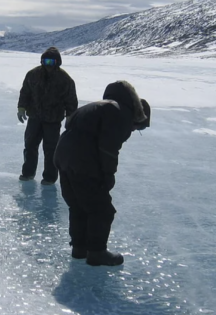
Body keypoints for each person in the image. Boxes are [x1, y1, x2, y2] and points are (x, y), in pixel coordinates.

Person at [54, 81, 151, 266]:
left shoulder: (96, 107)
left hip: (63, 158)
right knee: (102, 210)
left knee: (78, 207)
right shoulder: (121, 112)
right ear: (137, 115)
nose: (133, 130)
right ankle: (97, 252)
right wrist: (107, 176)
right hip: (82, 161)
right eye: (138, 127)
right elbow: (108, 148)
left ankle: (79, 249)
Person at [17, 47, 78, 185]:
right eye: (45, 61)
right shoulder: (32, 74)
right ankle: (28, 173)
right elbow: (25, 92)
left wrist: (70, 116)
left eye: (51, 61)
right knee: (30, 146)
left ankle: (50, 177)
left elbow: (71, 99)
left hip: (53, 119)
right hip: (34, 117)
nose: (48, 64)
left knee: (51, 150)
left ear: (57, 62)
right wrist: (21, 107)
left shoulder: (65, 79)